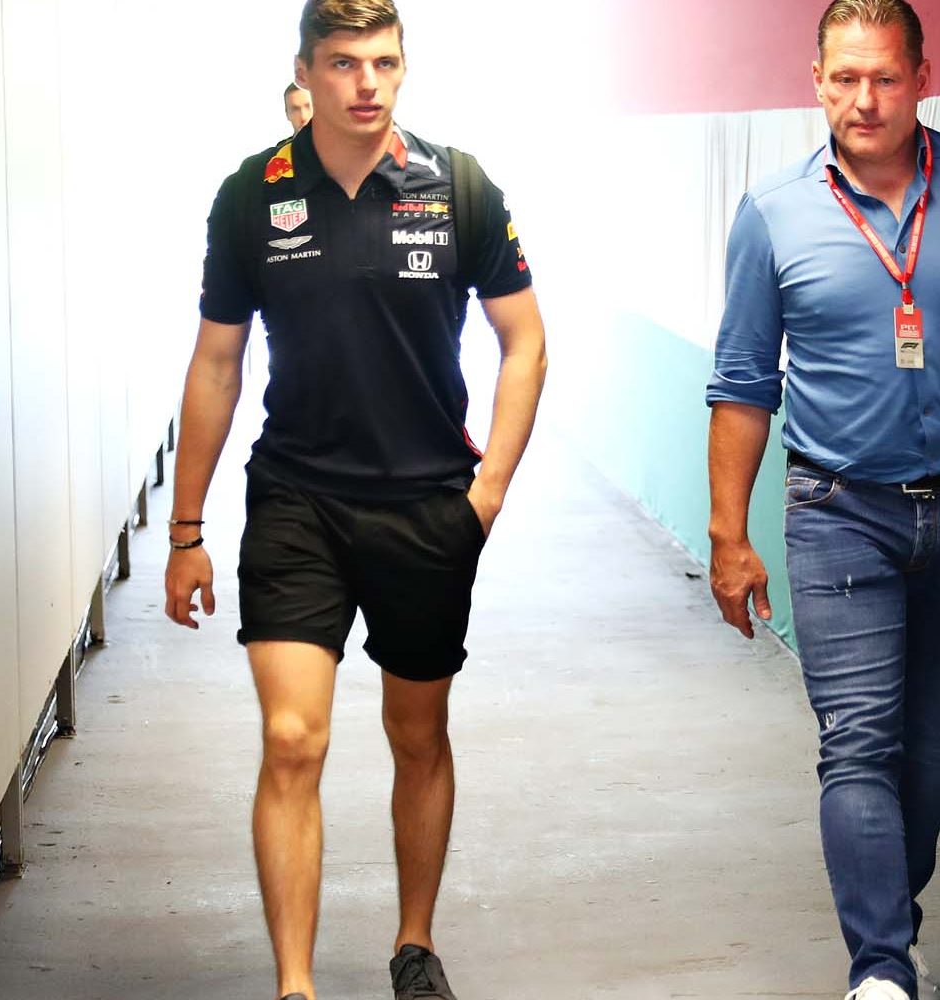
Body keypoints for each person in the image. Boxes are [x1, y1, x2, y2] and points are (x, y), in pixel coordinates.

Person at [704, 2, 940, 998]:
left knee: (929, 738)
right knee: (859, 741)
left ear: (922, 75)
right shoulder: (775, 213)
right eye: (843, 79)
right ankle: (880, 969)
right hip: (838, 511)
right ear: (816, 78)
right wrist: (728, 533)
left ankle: (893, 912)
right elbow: (744, 381)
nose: (863, 100)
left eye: (883, 77)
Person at [163, 2, 547, 998]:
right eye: (343, 63)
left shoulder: (457, 187)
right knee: (293, 738)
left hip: (427, 507)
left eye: (382, 62)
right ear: (307, 70)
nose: (365, 83)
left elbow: (525, 340)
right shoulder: (255, 196)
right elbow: (216, 363)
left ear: (404, 67)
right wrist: (187, 529)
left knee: (417, 734)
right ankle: (295, 983)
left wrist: (488, 491)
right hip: (297, 500)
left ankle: (413, 944)